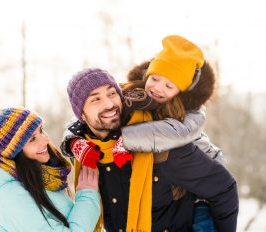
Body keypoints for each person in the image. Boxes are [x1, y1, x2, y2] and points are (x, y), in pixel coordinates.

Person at [61, 67, 238, 231]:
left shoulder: (160, 146)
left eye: (112, 93)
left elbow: (223, 188)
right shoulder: (85, 155)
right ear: (81, 114)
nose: (109, 104)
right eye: (95, 99)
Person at [121, 35, 225, 231]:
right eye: (155, 78)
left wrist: (122, 138)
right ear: (146, 75)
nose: (158, 88)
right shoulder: (134, 96)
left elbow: (177, 133)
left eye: (169, 86)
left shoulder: (190, 114)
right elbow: (93, 116)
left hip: (202, 191)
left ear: (180, 92)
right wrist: (74, 139)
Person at [0, 104, 100, 232]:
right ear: (14, 153)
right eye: (33, 139)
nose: (45, 140)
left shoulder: (43, 178)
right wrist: (87, 197)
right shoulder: (10, 198)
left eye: (41, 130)